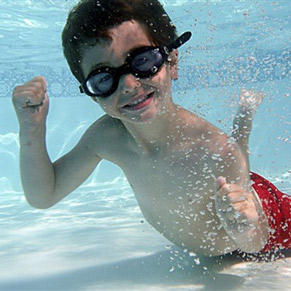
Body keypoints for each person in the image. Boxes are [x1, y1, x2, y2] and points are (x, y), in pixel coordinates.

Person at [12, 0, 290, 257]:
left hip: (266, 211)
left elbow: (256, 243)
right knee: (237, 161)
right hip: (233, 181)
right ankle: (244, 118)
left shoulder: (213, 149)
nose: (129, 85)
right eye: (103, 79)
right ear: (92, 94)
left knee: (237, 159)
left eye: (143, 61)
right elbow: (44, 195)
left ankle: (244, 119)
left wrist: (245, 228)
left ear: (172, 62)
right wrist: (31, 130)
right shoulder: (107, 137)